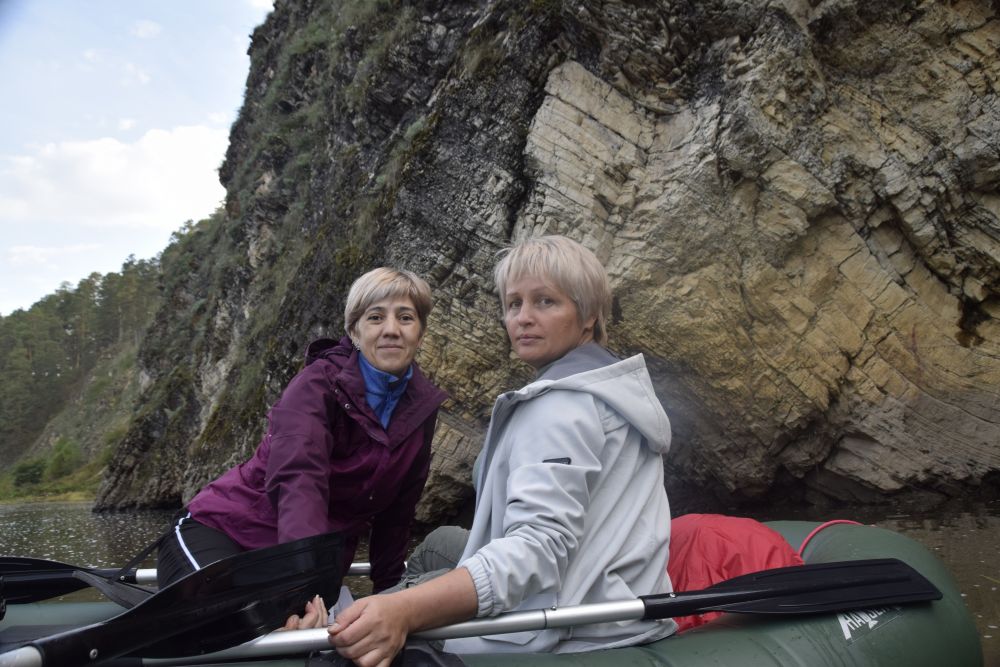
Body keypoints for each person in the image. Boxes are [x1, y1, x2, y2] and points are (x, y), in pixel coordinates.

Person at [324, 235, 675, 666]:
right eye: (513, 304)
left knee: (346, 638)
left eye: (545, 301)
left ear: (588, 316)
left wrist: (403, 610)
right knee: (440, 544)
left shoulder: (559, 407)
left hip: (569, 633)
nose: (523, 318)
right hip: (623, 606)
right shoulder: (614, 387)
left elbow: (537, 550)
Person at [156, 267, 448, 618]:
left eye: (405, 317)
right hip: (223, 531)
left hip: (308, 561)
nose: (391, 329)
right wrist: (303, 589)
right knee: (217, 615)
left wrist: (390, 597)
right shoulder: (316, 386)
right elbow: (299, 482)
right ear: (355, 331)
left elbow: (397, 513)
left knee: (278, 621)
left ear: (420, 332)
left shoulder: (420, 408)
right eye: (375, 317)